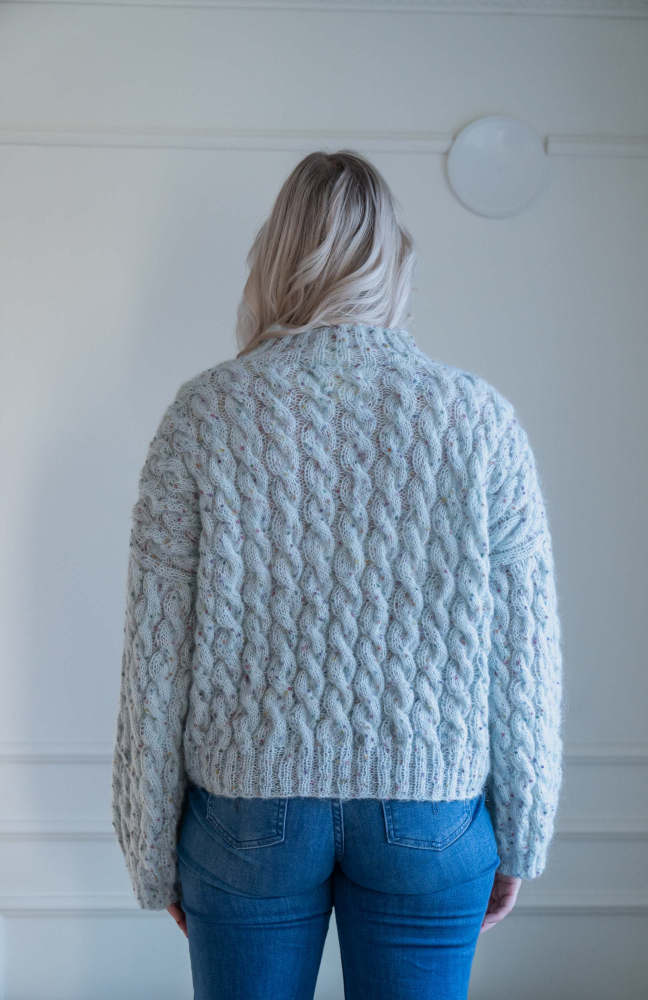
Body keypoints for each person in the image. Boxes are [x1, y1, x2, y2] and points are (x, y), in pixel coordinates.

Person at [111, 149, 564, 1000]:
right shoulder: (479, 421)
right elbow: (523, 654)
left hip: (247, 814)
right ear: (394, 265)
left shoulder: (203, 417)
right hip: (430, 813)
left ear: (271, 258)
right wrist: (523, 835)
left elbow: (155, 653)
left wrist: (149, 851)